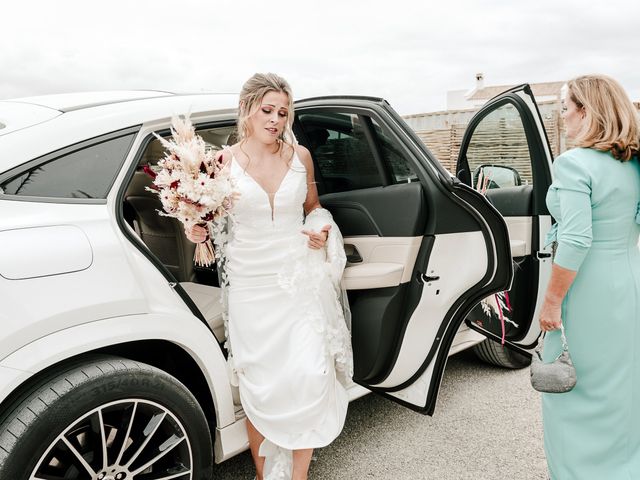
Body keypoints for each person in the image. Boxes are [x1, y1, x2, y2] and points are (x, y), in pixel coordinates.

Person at [186, 73, 352, 480]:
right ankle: (264, 476)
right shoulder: (220, 163)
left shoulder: (301, 157)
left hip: (299, 279)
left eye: (283, 112)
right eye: (268, 110)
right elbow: (208, 219)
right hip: (250, 285)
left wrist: (321, 229)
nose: (276, 119)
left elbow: (314, 207)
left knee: (310, 375)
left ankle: (299, 477)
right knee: (261, 384)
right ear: (247, 109)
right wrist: (195, 229)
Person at [538, 74, 640, 479]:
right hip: (628, 283)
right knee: (622, 392)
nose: (562, 117)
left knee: (569, 392)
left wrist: (551, 301)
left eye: (565, 107)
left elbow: (577, 239)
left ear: (587, 111)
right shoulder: (633, 164)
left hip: (588, 290)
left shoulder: (573, 163)